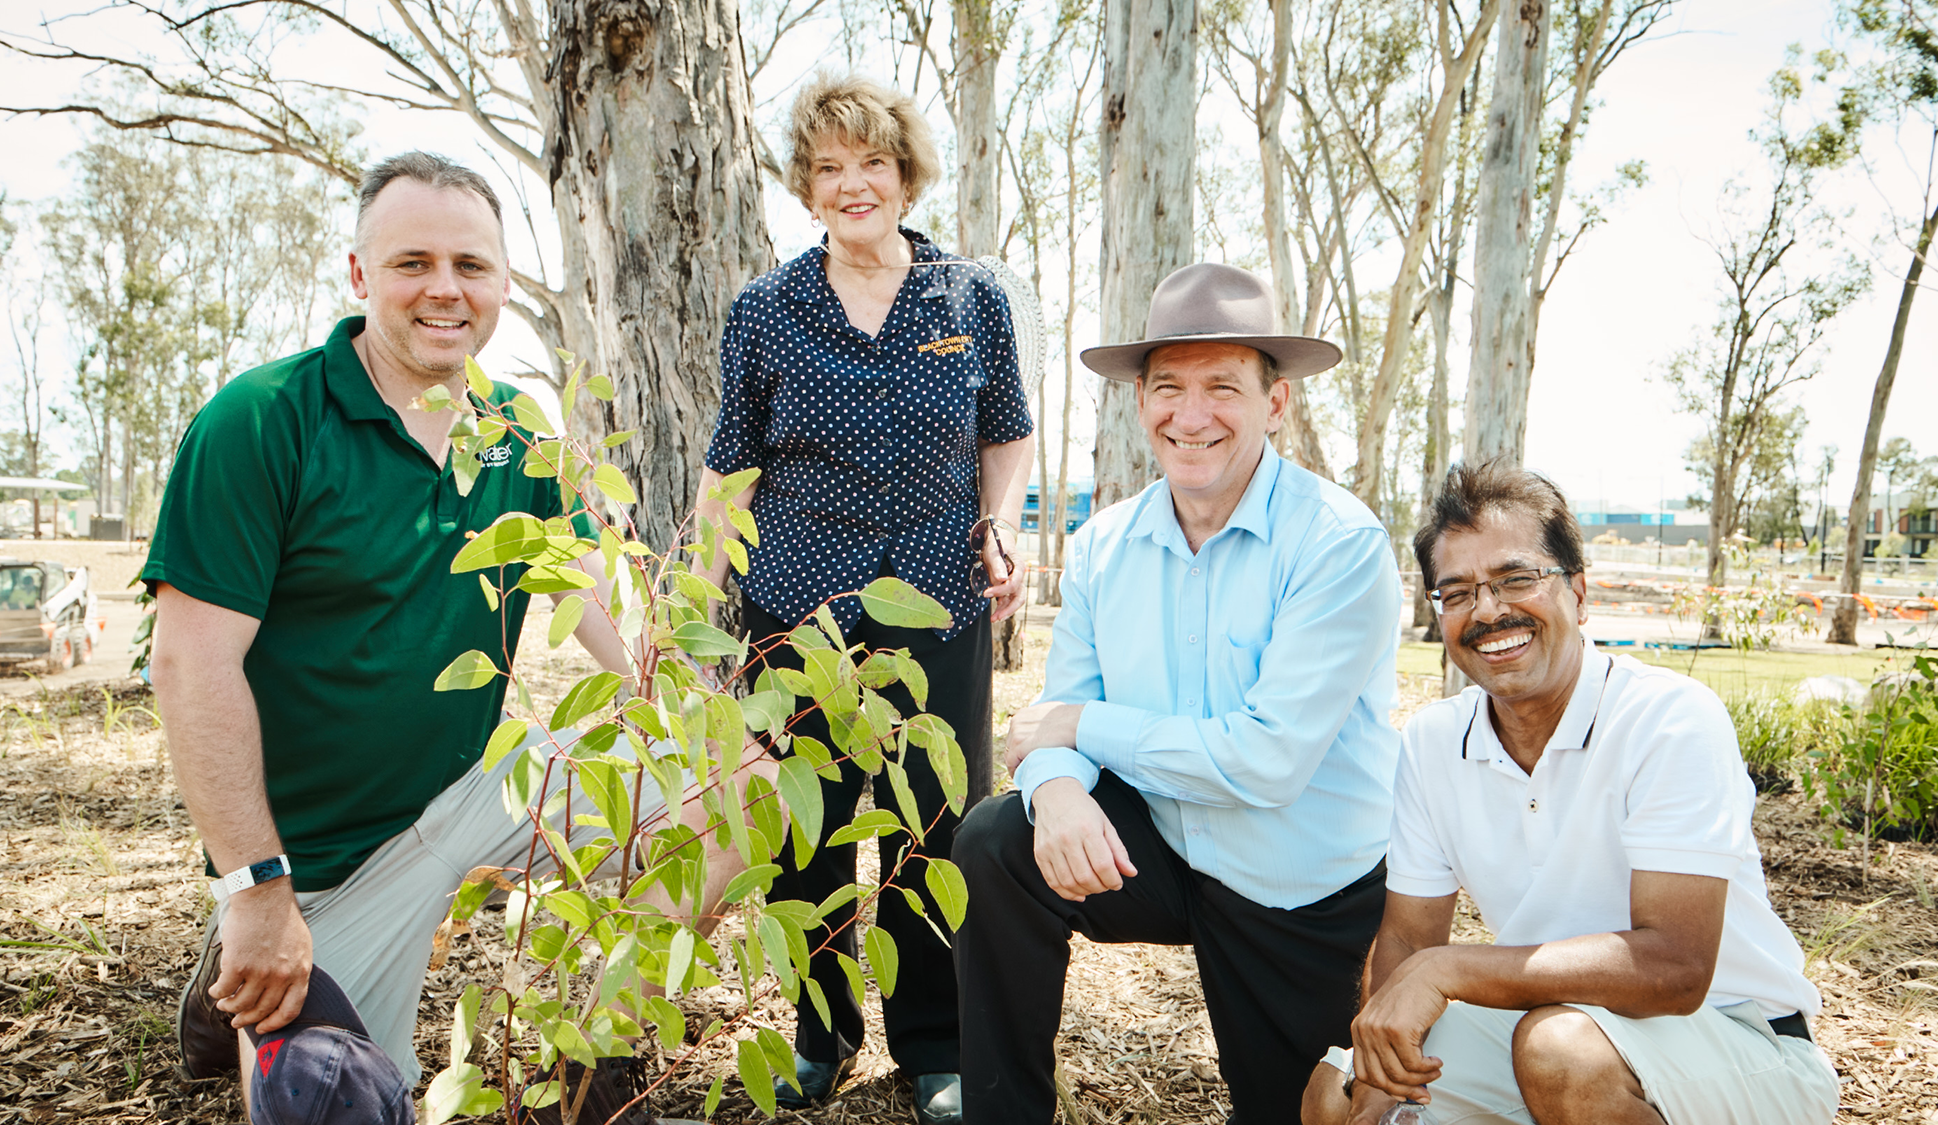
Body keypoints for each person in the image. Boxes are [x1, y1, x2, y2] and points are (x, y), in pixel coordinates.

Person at [147, 151, 760, 1124]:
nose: (445, 289)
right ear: (359, 276)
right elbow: (189, 665)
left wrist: (676, 703)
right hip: (328, 869)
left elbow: (586, 583)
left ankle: (598, 1052)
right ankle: (244, 960)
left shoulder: (517, 431)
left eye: (471, 266)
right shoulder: (261, 421)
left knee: (743, 791)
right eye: (411, 263)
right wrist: (258, 890)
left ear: (503, 285)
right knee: (342, 1105)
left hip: (479, 791)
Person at [954, 261, 1403, 1124]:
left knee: (1300, 1116)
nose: (1190, 416)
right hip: (1159, 850)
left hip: (1296, 887)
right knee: (997, 839)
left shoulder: (1337, 544)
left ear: (1276, 404)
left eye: (1223, 387)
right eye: (1169, 388)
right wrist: (1052, 790)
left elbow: (1266, 762)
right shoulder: (1102, 545)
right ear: (1139, 402)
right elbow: (1054, 720)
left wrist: (1084, 725)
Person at [691, 74, 1035, 1125]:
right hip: (796, 607)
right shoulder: (766, 309)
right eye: (827, 168)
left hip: (938, 600)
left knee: (940, 828)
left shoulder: (969, 298)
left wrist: (1003, 522)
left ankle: (934, 1045)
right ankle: (819, 1037)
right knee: (811, 833)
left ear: (903, 173)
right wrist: (695, 615)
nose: (851, 185)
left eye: (870, 163)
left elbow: (1007, 433)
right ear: (805, 187)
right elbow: (729, 470)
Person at [1302, 461, 1838, 1125]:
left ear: (1580, 593)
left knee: (1560, 1053)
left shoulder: (1667, 717)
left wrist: (1452, 970)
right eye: (1458, 592)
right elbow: (1409, 942)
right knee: (1335, 1091)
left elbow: (1677, 964)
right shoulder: (1434, 741)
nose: (1490, 609)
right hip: (1551, 1023)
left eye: (1517, 579)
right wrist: (1382, 1085)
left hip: (1739, 1036)